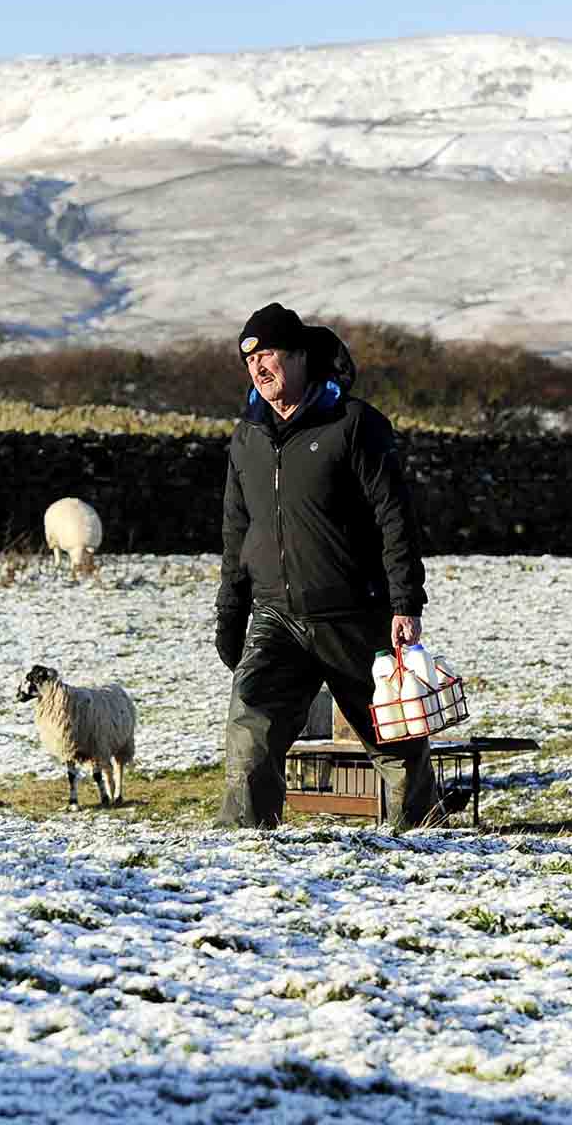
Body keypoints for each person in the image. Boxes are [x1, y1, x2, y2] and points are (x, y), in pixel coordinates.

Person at [214, 301, 439, 829]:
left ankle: (424, 841)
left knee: (396, 739)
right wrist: (231, 613)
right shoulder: (247, 437)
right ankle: (243, 852)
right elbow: (236, 533)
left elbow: (395, 518)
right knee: (249, 736)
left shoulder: (354, 424)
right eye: (249, 361)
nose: (258, 369)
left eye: (267, 355)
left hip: (353, 613)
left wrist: (405, 602)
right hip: (275, 617)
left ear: (298, 357)